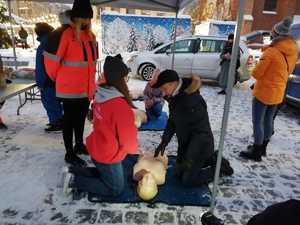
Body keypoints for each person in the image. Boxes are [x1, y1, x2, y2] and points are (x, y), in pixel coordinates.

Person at [63, 56, 137, 198]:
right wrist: (133, 151)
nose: (126, 81)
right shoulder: (119, 105)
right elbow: (128, 141)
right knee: (115, 189)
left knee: (106, 174)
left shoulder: (100, 94)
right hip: (107, 154)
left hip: (97, 147)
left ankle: (74, 171)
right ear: (120, 80)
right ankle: (74, 180)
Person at [152, 70, 233, 187]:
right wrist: (164, 141)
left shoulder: (191, 101)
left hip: (200, 145)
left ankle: (218, 169)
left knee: (187, 180)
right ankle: (210, 159)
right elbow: (172, 121)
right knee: (178, 174)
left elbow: (200, 133)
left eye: (164, 89)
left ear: (173, 83)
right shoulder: (176, 96)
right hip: (186, 143)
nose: (163, 93)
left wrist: (189, 158)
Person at [44, 0, 98, 167]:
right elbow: (51, 63)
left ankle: (79, 144)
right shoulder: (63, 34)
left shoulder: (90, 36)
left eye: (89, 18)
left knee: (80, 119)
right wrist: (60, 80)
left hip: (85, 89)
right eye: (84, 18)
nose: (87, 21)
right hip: (69, 90)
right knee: (69, 121)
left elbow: (91, 63)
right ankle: (69, 152)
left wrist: (91, 86)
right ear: (76, 17)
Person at [240, 17, 297, 162]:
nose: (270, 34)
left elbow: (256, 73)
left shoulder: (272, 53)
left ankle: (256, 151)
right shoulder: (292, 51)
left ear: (276, 34)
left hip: (264, 92)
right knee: (268, 120)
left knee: (258, 121)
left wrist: (253, 63)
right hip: (279, 92)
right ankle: (263, 147)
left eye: (272, 32)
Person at [35, 23, 63, 132]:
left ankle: (57, 123)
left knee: (50, 102)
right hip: (54, 79)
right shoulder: (53, 42)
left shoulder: (44, 45)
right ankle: (58, 121)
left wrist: (41, 82)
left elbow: (41, 66)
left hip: (47, 80)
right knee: (54, 102)